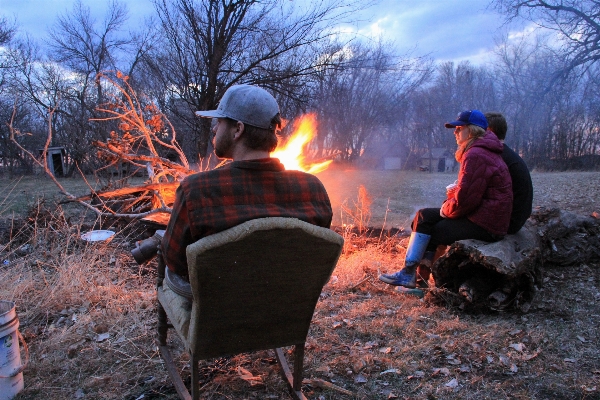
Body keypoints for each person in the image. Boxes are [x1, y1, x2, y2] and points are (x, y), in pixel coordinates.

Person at [161, 84, 333, 278]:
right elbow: (318, 259)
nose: (215, 129)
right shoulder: (313, 189)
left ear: (237, 130)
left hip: (218, 306)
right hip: (287, 305)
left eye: (219, 121)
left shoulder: (196, 191)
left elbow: (174, 262)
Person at [379, 110, 513, 288]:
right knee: (423, 216)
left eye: (459, 128)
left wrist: (445, 209)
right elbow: (471, 193)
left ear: (471, 130)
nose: (455, 132)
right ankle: (410, 274)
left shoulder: (476, 154)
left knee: (433, 230)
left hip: (486, 224)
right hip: (487, 217)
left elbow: (466, 201)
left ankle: (417, 279)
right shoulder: (482, 151)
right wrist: (451, 202)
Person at [485, 112, 533, 234]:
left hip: (508, 222)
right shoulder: (508, 155)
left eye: (478, 130)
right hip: (517, 219)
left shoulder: (497, 158)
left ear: (489, 131)